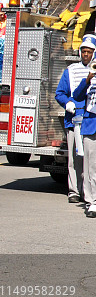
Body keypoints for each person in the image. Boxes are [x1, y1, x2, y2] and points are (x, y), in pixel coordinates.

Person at [56, 34, 95, 203]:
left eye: (89, 51)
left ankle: (89, 193)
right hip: (74, 119)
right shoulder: (70, 71)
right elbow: (60, 93)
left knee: (90, 159)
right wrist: (67, 103)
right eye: (83, 51)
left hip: (90, 119)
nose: (86, 55)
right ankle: (74, 190)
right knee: (75, 157)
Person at [73, 62, 96, 218]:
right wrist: (88, 80)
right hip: (90, 126)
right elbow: (77, 96)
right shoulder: (88, 79)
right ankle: (91, 202)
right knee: (90, 167)